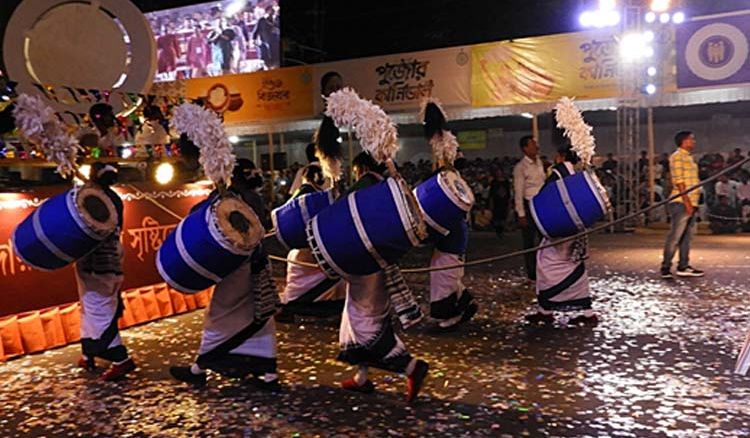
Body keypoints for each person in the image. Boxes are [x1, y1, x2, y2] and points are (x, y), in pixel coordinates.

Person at [169, 159, 280, 389]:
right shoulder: (253, 198)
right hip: (258, 264)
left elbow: (197, 214)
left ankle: (198, 368)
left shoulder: (231, 199)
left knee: (219, 316)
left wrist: (215, 198)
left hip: (238, 266)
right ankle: (269, 376)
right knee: (260, 318)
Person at [337, 152, 429, 402]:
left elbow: (341, 215)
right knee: (366, 317)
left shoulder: (364, 186)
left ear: (363, 168)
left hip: (365, 263)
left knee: (364, 323)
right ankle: (362, 379)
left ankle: (411, 367)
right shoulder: (390, 188)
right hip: (384, 261)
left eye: (356, 169)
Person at [76, 163, 136, 380]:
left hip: (99, 260)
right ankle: (88, 352)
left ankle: (121, 360)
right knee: (90, 305)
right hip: (106, 256)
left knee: (98, 307)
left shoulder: (96, 198)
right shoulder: (111, 198)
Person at [525, 146, 597, 326]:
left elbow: (546, 196)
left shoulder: (558, 173)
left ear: (561, 156)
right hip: (576, 227)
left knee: (546, 263)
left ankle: (546, 310)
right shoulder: (581, 174)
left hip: (559, 227)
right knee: (573, 265)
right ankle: (587, 313)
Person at [278, 136, 345, 322]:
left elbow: (292, 201)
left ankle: (295, 304)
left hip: (302, 231)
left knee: (299, 264)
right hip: (326, 230)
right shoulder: (331, 171)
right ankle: (330, 306)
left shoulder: (305, 171)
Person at [660, 131, 704, 279]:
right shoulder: (677, 157)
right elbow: (679, 181)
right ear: (683, 141)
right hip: (681, 202)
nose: (694, 142)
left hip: (692, 201)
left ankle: (683, 266)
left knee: (687, 237)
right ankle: (666, 266)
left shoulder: (689, 158)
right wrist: (687, 202)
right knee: (676, 236)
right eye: (691, 139)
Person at [513, 136, 545, 281]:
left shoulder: (540, 163)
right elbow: (518, 192)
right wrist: (521, 213)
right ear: (525, 148)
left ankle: (543, 268)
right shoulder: (520, 167)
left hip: (541, 204)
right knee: (529, 241)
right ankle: (532, 272)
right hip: (528, 204)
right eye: (532, 144)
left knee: (544, 238)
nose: (536, 147)